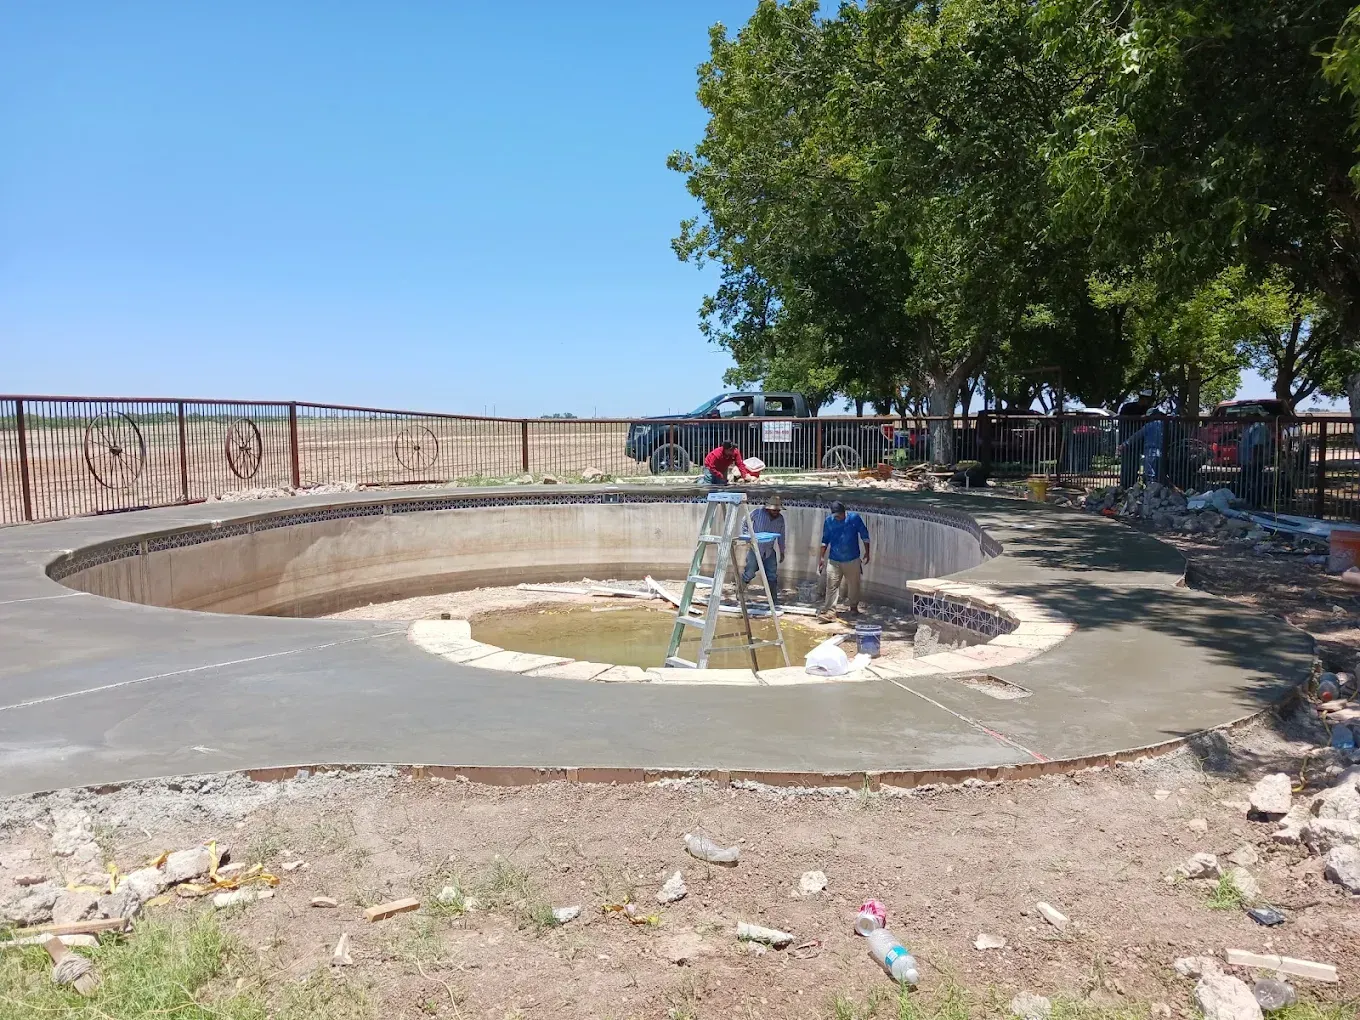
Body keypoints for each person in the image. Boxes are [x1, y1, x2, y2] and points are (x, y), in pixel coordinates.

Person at [818, 499, 871, 618]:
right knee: (831, 585)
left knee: (853, 585)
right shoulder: (829, 521)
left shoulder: (854, 518)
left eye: (840, 515)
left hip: (852, 558)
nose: (838, 518)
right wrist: (821, 558)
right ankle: (830, 611)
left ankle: (853, 607)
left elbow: (865, 535)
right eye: (836, 515)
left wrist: (867, 553)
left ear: (844, 512)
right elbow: (824, 541)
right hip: (834, 559)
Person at [741, 495, 786, 602]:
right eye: (774, 510)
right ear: (768, 508)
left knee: (772, 575)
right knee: (750, 572)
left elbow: (782, 535)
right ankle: (740, 592)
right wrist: (747, 537)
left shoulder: (780, 519)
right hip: (755, 548)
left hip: (769, 550)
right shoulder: (757, 513)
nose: (776, 512)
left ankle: (773, 598)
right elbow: (744, 521)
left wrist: (782, 551)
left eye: (777, 510)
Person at [1117, 408, 1165, 485]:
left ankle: (1151, 492)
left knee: (1150, 476)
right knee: (1159, 476)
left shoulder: (1148, 426)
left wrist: (1124, 444)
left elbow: (1136, 436)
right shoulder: (1164, 425)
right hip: (1161, 453)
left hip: (1149, 453)